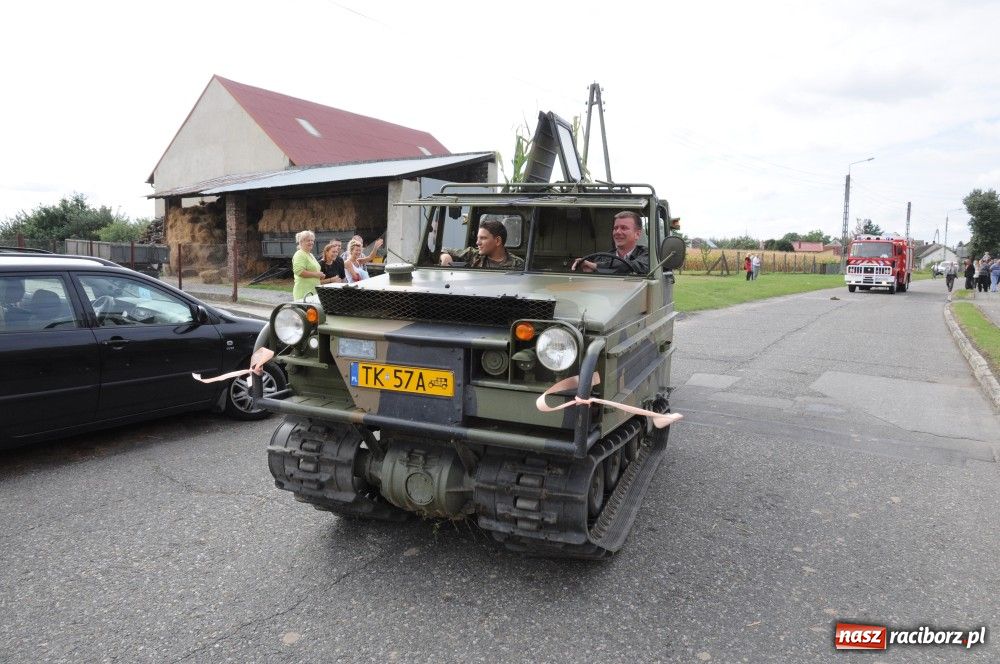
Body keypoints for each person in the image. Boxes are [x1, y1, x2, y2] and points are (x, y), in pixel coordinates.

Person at [571, 210, 649, 274]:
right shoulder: (602, 258)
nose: (617, 232)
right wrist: (588, 270)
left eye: (624, 228)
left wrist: (596, 266)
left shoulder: (647, 255)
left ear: (637, 234)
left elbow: (635, 266)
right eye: (615, 228)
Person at [440, 218, 525, 269]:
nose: (478, 242)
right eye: (478, 238)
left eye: (483, 238)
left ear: (497, 241)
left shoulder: (517, 264)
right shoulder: (473, 255)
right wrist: (445, 256)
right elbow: (441, 250)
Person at [291, 230, 324, 300]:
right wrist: (316, 275)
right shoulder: (299, 254)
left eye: (312, 240)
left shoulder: (310, 254)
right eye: (308, 240)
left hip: (313, 292)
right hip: (304, 293)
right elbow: (299, 272)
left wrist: (320, 275)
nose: (311, 242)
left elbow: (315, 271)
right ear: (301, 242)